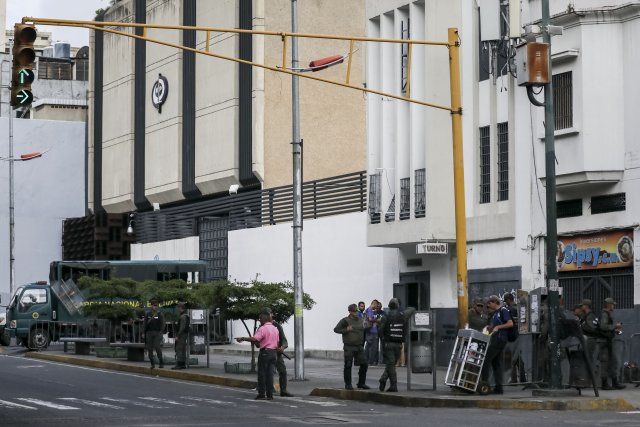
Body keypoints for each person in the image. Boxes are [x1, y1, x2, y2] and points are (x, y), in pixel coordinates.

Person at [236, 312, 279, 400]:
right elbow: (276, 342)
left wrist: (243, 338)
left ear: (265, 319)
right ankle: (270, 395)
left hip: (265, 353)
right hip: (273, 353)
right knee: (270, 375)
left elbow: (255, 339)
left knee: (262, 374)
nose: (259, 320)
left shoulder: (262, 328)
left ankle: (262, 394)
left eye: (260, 318)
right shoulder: (275, 329)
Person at [378, 298, 415, 392]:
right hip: (399, 344)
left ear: (389, 306)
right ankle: (385, 380)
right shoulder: (403, 315)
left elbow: (380, 331)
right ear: (398, 306)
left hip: (388, 344)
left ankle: (392, 385)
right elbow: (412, 309)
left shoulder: (385, 317)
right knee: (392, 364)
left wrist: (383, 341)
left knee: (391, 365)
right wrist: (401, 308)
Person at [334, 303, 370, 390]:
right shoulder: (345, 320)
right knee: (348, 365)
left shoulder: (361, 320)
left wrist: (370, 322)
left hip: (359, 346)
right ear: (350, 311)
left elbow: (367, 326)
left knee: (364, 364)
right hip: (349, 346)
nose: (356, 313)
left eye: (356, 311)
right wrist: (346, 329)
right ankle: (348, 384)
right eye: (354, 311)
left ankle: (361, 383)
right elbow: (336, 329)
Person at [481, 295, 513, 394]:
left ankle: (484, 384)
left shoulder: (503, 310)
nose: (489, 306)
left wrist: (498, 327)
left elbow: (510, 323)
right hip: (495, 338)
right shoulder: (496, 313)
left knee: (485, 360)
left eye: (489, 304)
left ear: (495, 302)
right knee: (496, 364)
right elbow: (494, 326)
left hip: (500, 340)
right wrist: (490, 327)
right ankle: (499, 388)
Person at [262, 307, 294, 397]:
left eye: (270, 314)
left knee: (283, 371)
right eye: (267, 314)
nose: (269, 316)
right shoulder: (262, 327)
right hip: (267, 353)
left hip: (277, 354)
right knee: (268, 372)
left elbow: (284, 341)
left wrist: (282, 347)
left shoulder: (277, 326)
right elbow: (258, 340)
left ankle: (283, 390)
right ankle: (267, 389)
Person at [598, 297, 625, 390]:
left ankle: (614, 382)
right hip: (604, 342)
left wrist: (615, 331)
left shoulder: (607, 314)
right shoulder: (604, 314)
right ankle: (605, 384)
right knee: (605, 363)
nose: (613, 306)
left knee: (613, 362)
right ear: (609, 305)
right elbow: (603, 326)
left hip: (607, 341)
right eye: (612, 304)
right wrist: (615, 326)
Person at [144, 300, 165, 369]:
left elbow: (163, 323)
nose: (155, 307)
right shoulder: (148, 314)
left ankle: (161, 362)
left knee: (157, 347)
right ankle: (152, 363)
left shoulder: (159, 314)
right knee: (149, 348)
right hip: (149, 333)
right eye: (153, 305)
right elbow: (145, 323)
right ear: (151, 306)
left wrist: (161, 332)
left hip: (157, 333)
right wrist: (143, 332)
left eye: (156, 305)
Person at [172, 303, 190, 370]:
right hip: (184, 334)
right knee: (182, 349)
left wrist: (178, 336)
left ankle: (179, 364)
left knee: (179, 349)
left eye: (179, 308)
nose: (178, 309)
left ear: (181, 308)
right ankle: (182, 364)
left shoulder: (183, 316)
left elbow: (182, 327)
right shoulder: (186, 315)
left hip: (181, 335)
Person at [364, 300, 381, 366]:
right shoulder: (370, 310)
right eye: (376, 306)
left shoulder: (367, 310)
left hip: (369, 331)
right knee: (373, 347)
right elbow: (370, 319)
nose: (376, 308)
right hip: (372, 331)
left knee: (368, 346)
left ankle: (367, 360)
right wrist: (378, 320)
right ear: (374, 304)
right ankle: (370, 361)